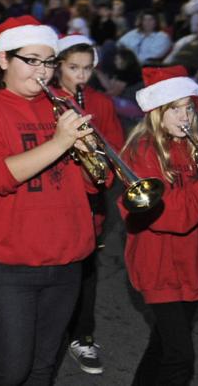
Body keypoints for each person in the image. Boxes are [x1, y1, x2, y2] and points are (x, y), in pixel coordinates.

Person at [0, 16, 100, 386]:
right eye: (31, 60)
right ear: (2, 58)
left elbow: (97, 183)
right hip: (7, 260)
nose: (44, 72)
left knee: (41, 368)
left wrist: (89, 157)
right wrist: (61, 143)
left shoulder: (64, 104)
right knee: (9, 369)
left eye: (49, 62)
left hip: (66, 255)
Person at [120, 66, 198, 385]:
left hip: (195, 264)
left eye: (188, 107)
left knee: (162, 345)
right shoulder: (140, 153)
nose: (183, 116)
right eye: (173, 108)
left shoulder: (197, 150)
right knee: (180, 358)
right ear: (155, 112)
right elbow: (164, 216)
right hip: (159, 266)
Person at [52, 35, 126, 376]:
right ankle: (49, 333)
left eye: (87, 69)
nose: (80, 77)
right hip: (56, 197)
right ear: (58, 67)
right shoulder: (47, 100)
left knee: (87, 269)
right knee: (53, 267)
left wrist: (103, 172)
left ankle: (82, 335)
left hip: (92, 196)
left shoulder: (101, 102)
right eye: (72, 68)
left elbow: (116, 150)